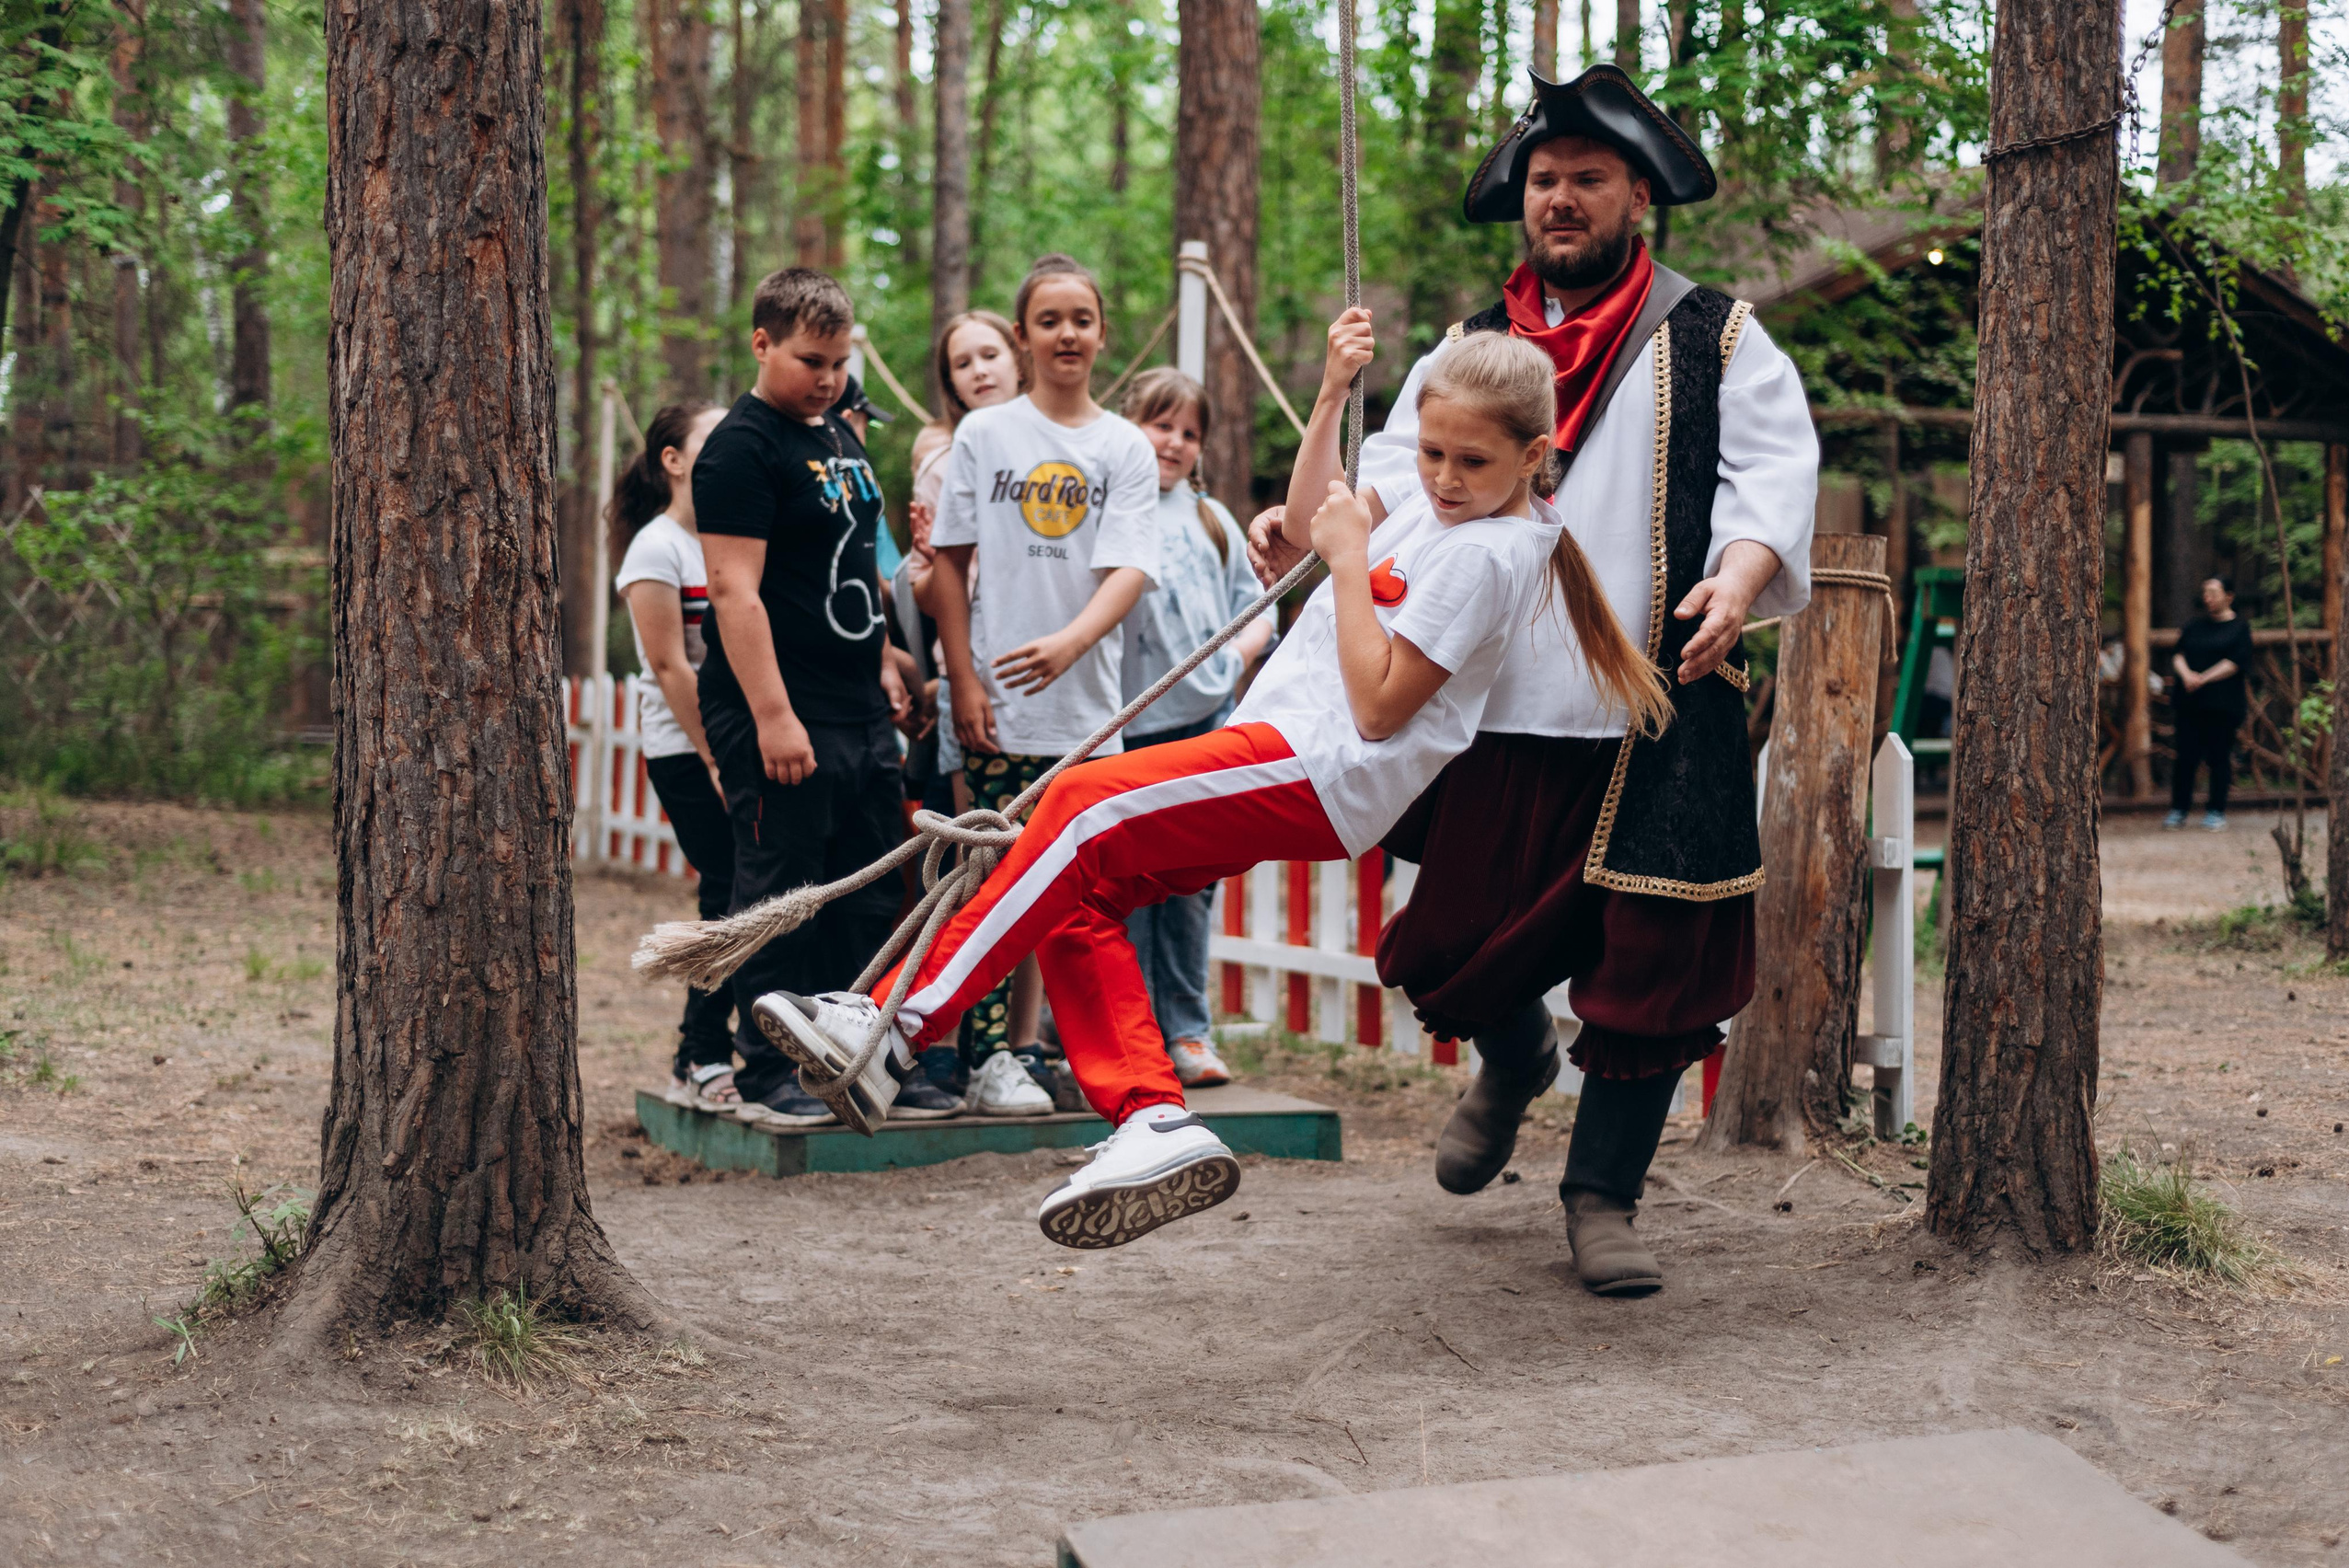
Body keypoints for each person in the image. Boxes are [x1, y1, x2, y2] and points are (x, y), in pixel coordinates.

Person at [751, 317, 1668, 1253]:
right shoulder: (1444, 509)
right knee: (1076, 893)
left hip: (1321, 765)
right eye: (1431, 452)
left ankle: (897, 1027)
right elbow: (1311, 519)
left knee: (1079, 805)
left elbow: (1379, 705)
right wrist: (1330, 394)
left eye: (1470, 461)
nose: (1442, 477)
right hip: (1284, 748)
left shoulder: (1486, 552)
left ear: (1532, 456)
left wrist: (1351, 563)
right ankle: (1152, 1119)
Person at [1257, 65, 1817, 1297]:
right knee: (1447, 944)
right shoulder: (1468, 348)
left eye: (1588, 180)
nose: (1561, 199)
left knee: (1651, 968)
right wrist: (1311, 522)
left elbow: (1771, 482)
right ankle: (1513, 1063)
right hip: (1492, 703)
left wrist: (1738, 582)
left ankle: (1602, 1199)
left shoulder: (1716, 335)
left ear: (1637, 197)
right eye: (1545, 180)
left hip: (1654, 704)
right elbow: (1393, 485)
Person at [693, 266, 964, 1129]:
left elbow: (844, 563)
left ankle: (860, 1054)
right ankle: (769, 1069)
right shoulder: (741, 449)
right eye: (811, 361)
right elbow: (734, 592)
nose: (829, 378)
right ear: (761, 343)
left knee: (871, 887)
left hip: (858, 706)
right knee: (784, 890)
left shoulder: (840, 435)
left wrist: (885, 657)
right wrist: (774, 716)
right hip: (780, 708)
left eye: (840, 362)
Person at [921, 254, 1164, 1117]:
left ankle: (1045, 1053)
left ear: (1102, 333)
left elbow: (1130, 567)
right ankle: (980, 1057)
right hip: (998, 708)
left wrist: (1071, 642)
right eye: (1049, 320)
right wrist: (963, 681)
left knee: (1074, 894)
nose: (1067, 335)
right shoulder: (986, 437)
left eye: (1081, 320)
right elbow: (948, 566)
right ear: (1022, 337)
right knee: (989, 881)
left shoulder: (1123, 445)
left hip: (1088, 713)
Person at [895, 308, 1052, 1100]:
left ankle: (1023, 1042)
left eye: (990, 354)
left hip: (1055, 676)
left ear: (1017, 358)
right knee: (978, 866)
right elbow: (926, 585)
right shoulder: (946, 460)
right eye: (963, 363)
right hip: (977, 679)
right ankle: (949, 1037)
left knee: (1044, 869)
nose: (980, 370)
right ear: (951, 385)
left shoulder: (1059, 445)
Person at [1115, 368, 1277, 1089]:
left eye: (1189, 432)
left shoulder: (1209, 518)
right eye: (1161, 425)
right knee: (1127, 885)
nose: (1174, 442)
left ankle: (1187, 1029)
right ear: (1128, 425)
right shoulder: (1112, 508)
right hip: (1129, 728)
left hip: (1207, 724)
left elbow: (1258, 604)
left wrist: (1235, 658)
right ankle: (1132, 1032)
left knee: (1189, 885)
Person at [611, 401, 742, 1112]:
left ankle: (720, 1048)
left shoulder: (730, 539)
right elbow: (669, 667)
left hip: (739, 743)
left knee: (752, 891)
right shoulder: (655, 549)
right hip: (686, 749)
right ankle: (699, 1056)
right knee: (727, 887)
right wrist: (715, 758)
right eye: (714, 438)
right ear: (674, 460)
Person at [2167, 576, 2252, 832]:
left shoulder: (2239, 628)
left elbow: (2235, 662)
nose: (2208, 598)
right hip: (2189, 702)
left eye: (2214, 592)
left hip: (2222, 704)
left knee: (2219, 757)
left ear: (2229, 596)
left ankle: (2216, 810)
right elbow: (2178, 654)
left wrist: (2203, 678)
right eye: (2205, 593)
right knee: (2185, 757)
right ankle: (2179, 809)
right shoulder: (2194, 625)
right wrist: (2187, 675)